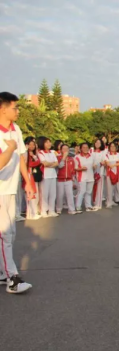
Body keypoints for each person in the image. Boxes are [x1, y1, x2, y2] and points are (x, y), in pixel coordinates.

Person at [0, 91, 35, 293]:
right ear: (3, 109)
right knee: (5, 233)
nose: (18, 111)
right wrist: (9, 148)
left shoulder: (16, 129)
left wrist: (28, 183)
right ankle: (12, 278)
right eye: (14, 107)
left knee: (9, 233)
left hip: (10, 188)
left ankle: (3, 273)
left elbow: (22, 157)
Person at [37, 136, 58, 217]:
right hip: (45, 176)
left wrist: (50, 164)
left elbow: (56, 163)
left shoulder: (52, 152)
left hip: (53, 175)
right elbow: (44, 163)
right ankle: (43, 210)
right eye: (47, 142)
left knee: (53, 194)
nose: (49, 144)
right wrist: (51, 164)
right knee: (44, 194)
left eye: (49, 142)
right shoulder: (40, 153)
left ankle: (51, 210)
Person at [103, 142, 119, 209]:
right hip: (109, 173)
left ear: (116, 147)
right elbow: (107, 163)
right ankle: (109, 203)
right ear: (109, 147)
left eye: (114, 146)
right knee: (109, 189)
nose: (112, 147)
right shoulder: (107, 155)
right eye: (111, 146)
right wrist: (115, 163)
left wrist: (113, 165)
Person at [75, 142, 98, 212]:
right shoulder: (77, 157)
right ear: (81, 148)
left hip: (90, 176)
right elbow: (75, 168)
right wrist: (81, 168)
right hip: (81, 177)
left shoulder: (92, 156)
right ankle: (78, 206)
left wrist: (94, 166)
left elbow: (94, 165)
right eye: (83, 147)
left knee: (88, 192)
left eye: (86, 147)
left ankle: (88, 206)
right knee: (82, 191)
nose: (85, 149)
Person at [55, 143, 77, 215]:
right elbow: (60, 166)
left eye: (66, 149)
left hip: (69, 179)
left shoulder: (71, 159)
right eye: (63, 149)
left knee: (70, 194)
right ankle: (58, 208)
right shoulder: (58, 158)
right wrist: (63, 158)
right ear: (61, 150)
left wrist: (74, 181)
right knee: (60, 195)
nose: (65, 150)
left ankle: (71, 209)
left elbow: (73, 171)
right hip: (60, 179)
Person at [25, 138, 41, 220]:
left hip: (32, 175)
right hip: (27, 174)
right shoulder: (25, 153)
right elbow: (30, 164)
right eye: (30, 144)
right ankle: (31, 214)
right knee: (30, 193)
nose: (32, 146)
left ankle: (32, 213)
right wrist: (34, 157)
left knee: (34, 193)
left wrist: (34, 156)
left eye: (33, 145)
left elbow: (38, 161)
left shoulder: (32, 154)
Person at [91, 138, 106, 210]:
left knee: (99, 189)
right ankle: (93, 202)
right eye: (96, 142)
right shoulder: (91, 151)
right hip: (91, 173)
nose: (97, 144)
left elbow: (104, 162)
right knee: (92, 188)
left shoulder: (103, 152)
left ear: (101, 144)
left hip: (100, 172)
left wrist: (99, 164)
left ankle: (98, 204)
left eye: (99, 143)